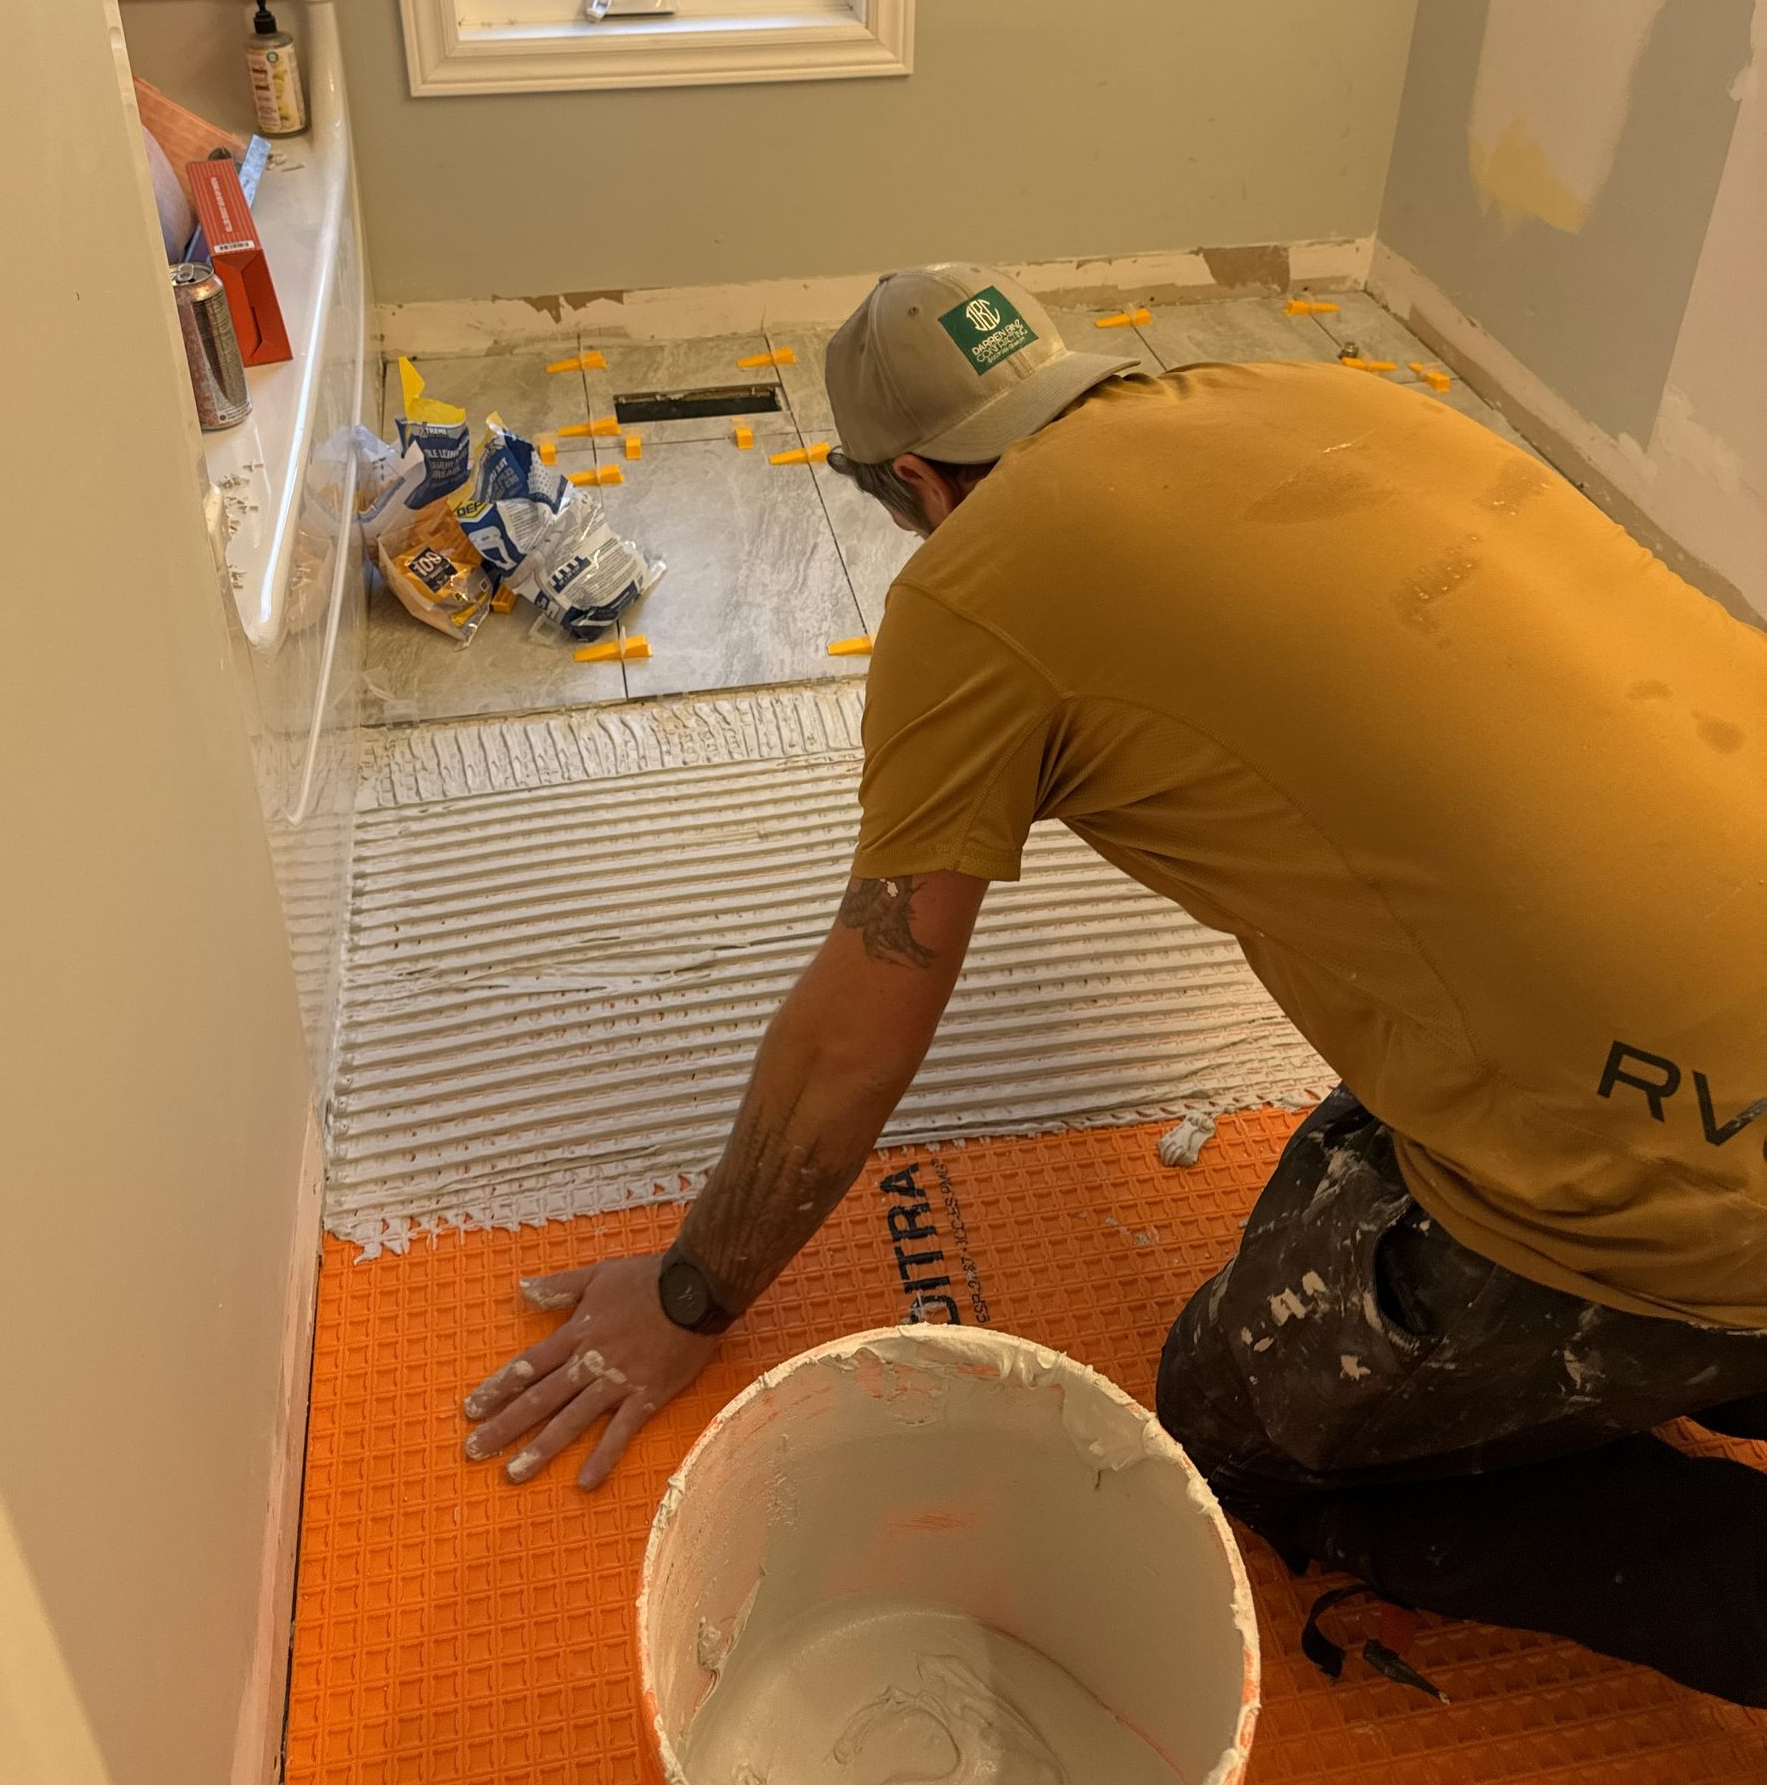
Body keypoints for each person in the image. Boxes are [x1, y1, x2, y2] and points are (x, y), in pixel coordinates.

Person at [461, 263, 1767, 1702]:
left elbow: (862, 1018)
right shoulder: (1327, 393)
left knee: (1231, 1417)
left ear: (915, 481)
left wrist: (693, 1292)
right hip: (1710, 988)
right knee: (1383, 1123)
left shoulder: (977, 590)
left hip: (1699, 1165)